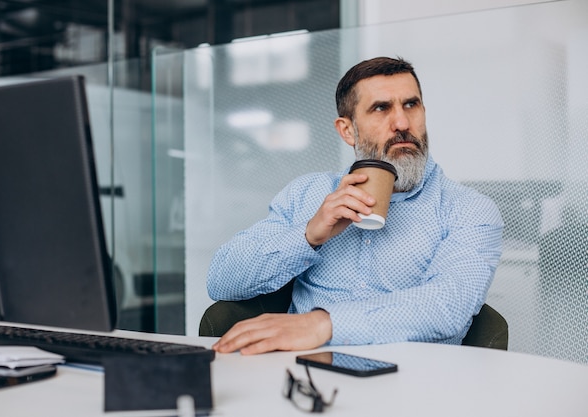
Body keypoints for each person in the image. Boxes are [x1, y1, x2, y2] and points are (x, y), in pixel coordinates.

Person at [207, 56, 504, 355]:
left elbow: (449, 306)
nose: (402, 123)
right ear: (347, 130)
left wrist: (324, 325)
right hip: (302, 376)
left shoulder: (469, 210)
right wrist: (308, 236)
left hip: (412, 382)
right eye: (381, 108)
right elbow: (221, 281)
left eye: (411, 105)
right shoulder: (307, 193)